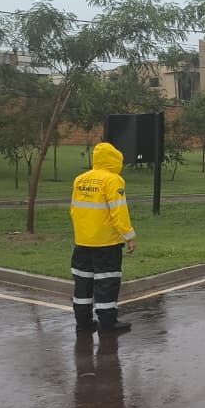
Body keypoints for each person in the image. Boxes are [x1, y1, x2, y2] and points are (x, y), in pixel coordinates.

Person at [71, 142, 136, 334]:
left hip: (82, 242)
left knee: (83, 284)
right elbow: (119, 212)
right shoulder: (113, 180)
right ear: (115, 160)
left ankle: (83, 323)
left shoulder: (80, 180)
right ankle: (107, 324)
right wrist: (129, 236)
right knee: (107, 282)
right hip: (106, 243)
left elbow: (74, 211)